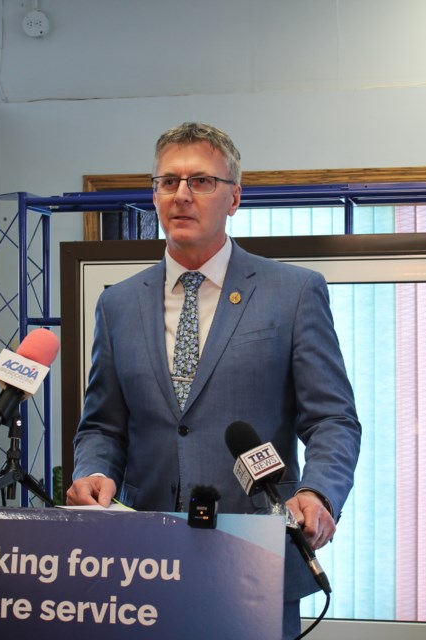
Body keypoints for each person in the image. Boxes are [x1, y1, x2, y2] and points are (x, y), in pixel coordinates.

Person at [67, 121, 361, 637]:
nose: (181, 195)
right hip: (141, 563)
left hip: (255, 558)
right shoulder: (117, 304)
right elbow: (102, 426)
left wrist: (318, 492)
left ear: (234, 198)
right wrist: (93, 471)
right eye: (167, 182)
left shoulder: (291, 293)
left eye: (200, 181)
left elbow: (333, 418)